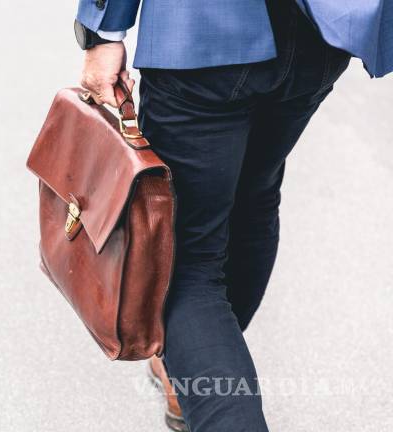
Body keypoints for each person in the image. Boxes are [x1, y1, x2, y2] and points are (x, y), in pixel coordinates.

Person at [74, 0, 392, 430]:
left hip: (203, 32)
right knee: (253, 197)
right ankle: (194, 364)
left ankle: (199, 364)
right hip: (318, 36)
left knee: (184, 261)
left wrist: (103, 30)